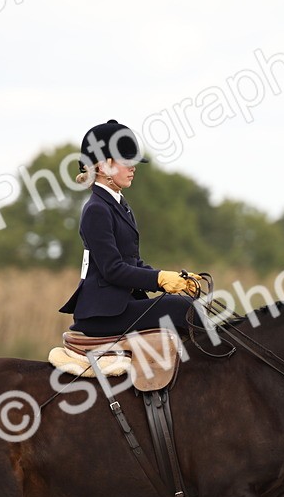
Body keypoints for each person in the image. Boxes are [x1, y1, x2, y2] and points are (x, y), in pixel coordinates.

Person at [58, 119, 200, 337]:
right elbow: (113, 269)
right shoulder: (96, 209)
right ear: (103, 165)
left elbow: (133, 262)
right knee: (183, 309)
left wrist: (173, 280)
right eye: (126, 161)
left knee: (186, 303)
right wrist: (159, 279)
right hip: (103, 313)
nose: (133, 167)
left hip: (122, 305)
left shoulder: (119, 204)